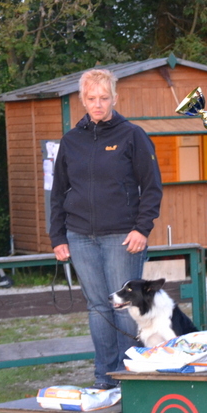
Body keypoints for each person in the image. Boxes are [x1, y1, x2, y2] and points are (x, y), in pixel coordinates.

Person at [49, 68, 163, 389]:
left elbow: (152, 187)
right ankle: (105, 379)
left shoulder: (132, 135)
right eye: (91, 98)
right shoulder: (71, 141)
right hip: (79, 237)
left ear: (115, 98)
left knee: (123, 307)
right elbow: (58, 192)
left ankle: (130, 379)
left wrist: (142, 228)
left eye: (103, 97)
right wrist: (57, 236)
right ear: (82, 100)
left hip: (122, 238)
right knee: (98, 308)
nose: (97, 104)